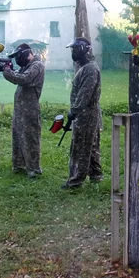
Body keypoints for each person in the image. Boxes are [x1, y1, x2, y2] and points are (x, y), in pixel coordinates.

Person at [62, 37, 103, 189]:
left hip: (86, 114)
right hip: (86, 113)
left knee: (82, 146)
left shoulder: (90, 69)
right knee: (91, 144)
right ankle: (95, 174)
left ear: (85, 50)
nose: (73, 52)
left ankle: (76, 180)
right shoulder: (86, 67)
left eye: (76, 49)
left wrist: (74, 111)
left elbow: (85, 94)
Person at [3, 43, 46, 177]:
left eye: (18, 56)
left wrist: (7, 71)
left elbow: (23, 79)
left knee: (30, 138)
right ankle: (19, 164)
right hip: (21, 109)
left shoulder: (37, 65)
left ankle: (34, 169)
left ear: (27, 54)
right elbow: (18, 74)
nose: (17, 60)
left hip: (29, 109)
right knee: (18, 136)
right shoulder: (28, 66)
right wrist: (8, 69)